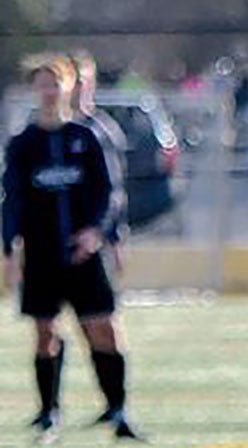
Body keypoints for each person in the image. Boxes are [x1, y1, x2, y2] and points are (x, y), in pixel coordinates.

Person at [4, 54, 144, 442]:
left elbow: (108, 194)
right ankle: (49, 414)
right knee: (44, 332)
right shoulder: (23, 144)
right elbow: (12, 199)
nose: (49, 92)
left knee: (104, 329)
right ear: (35, 90)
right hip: (42, 254)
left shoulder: (87, 137)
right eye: (42, 85)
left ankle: (118, 410)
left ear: (70, 87)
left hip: (84, 254)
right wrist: (10, 247)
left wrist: (97, 233)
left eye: (56, 84)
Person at [67, 50, 131, 276]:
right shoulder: (45, 132)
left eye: (80, 81)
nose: (75, 88)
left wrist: (114, 240)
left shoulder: (102, 132)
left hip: (93, 238)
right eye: (70, 81)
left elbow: (114, 190)